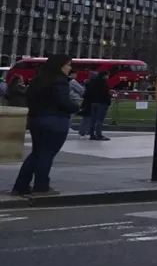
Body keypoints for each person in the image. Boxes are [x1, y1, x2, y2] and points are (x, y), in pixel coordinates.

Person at [10, 54, 78, 196]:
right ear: (60, 66)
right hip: (55, 120)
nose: (70, 68)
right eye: (68, 65)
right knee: (46, 154)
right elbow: (63, 102)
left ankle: (21, 185)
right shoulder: (59, 81)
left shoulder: (38, 80)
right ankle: (41, 186)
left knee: (36, 153)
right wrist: (76, 107)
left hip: (36, 119)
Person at [83, 70, 112, 141]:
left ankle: (92, 134)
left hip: (93, 103)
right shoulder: (103, 83)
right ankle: (99, 135)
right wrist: (108, 101)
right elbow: (105, 93)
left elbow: (88, 93)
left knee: (93, 119)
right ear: (104, 76)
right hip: (102, 103)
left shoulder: (92, 82)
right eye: (107, 75)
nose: (108, 77)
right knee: (99, 120)